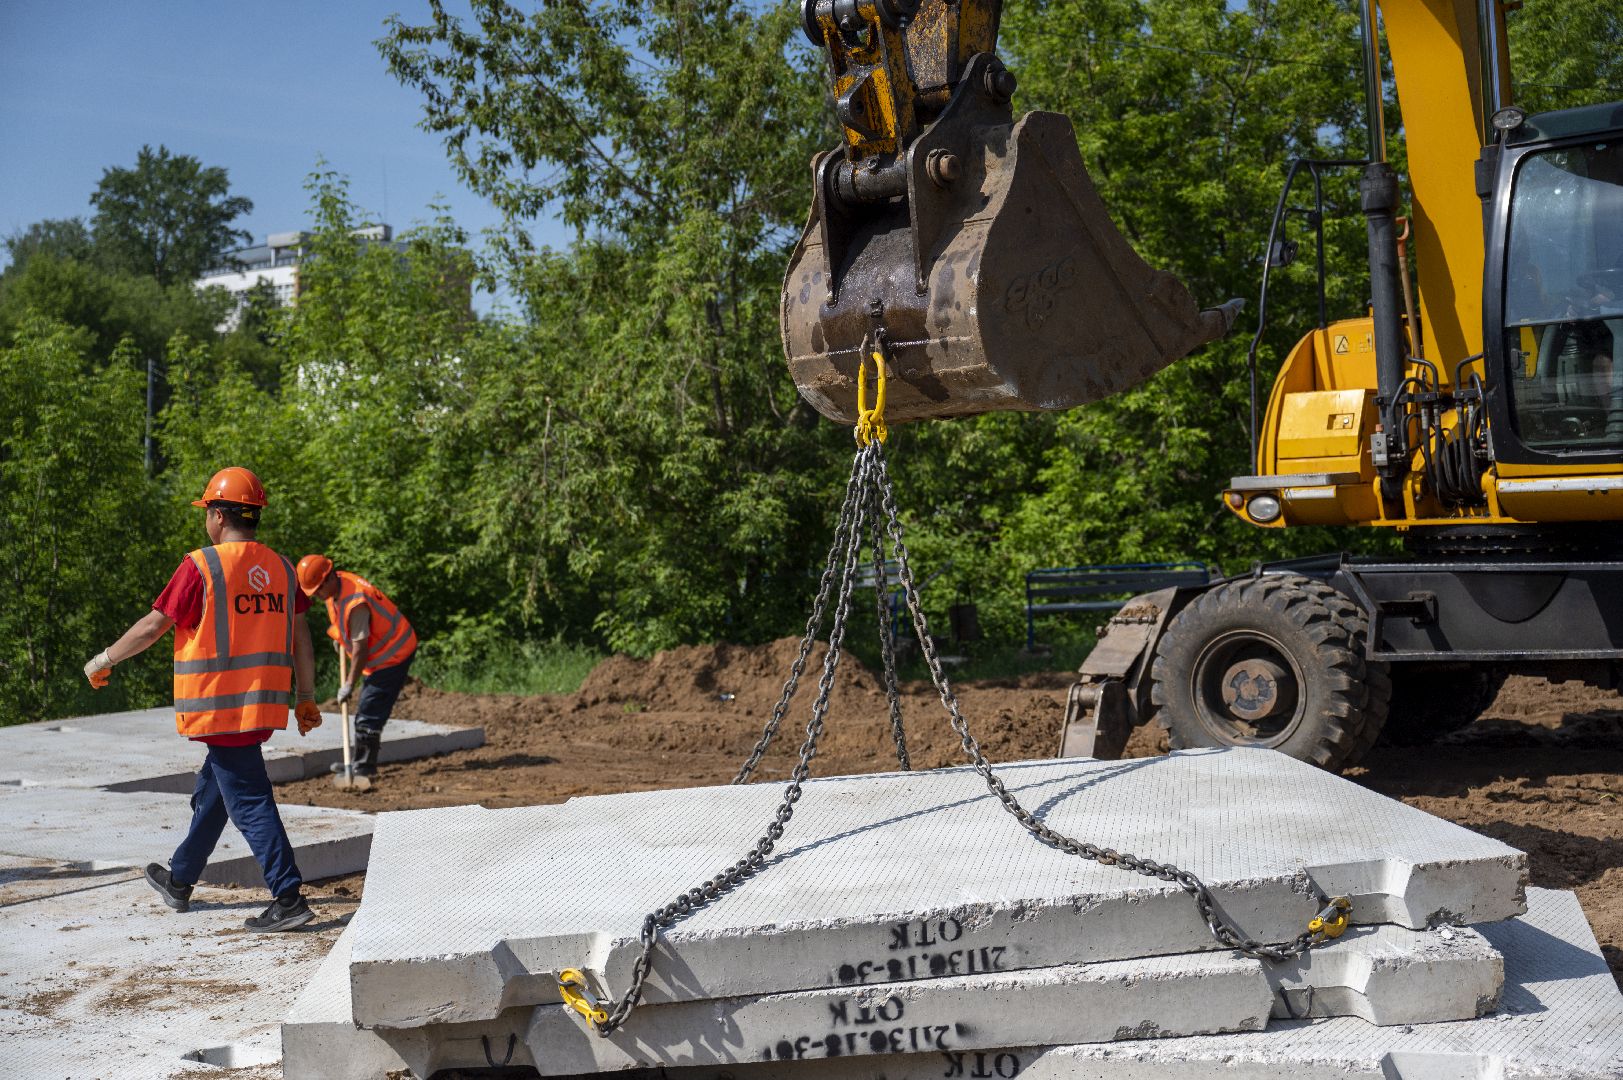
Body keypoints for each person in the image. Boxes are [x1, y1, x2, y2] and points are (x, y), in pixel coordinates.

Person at [83, 467, 323, 932]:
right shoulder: (281, 567)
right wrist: (306, 696)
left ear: (216, 515)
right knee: (217, 791)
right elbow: (301, 636)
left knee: (250, 800)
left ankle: (288, 897)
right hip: (259, 705)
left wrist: (103, 659)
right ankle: (180, 879)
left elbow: (154, 626)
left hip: (220, 708)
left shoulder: (202, 566)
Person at [295, 554, 417, 778]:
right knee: (367, 712)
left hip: (393, 655)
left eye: (318, 590)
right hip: (382, 656)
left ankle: (363, 768)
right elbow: (345, 625)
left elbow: (361, 649)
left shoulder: (356, 602)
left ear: (329, 577)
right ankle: (358, 763)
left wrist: (350, 683)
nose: (318, 596)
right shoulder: (339, 586)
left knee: (368, 714)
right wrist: (340, 637)